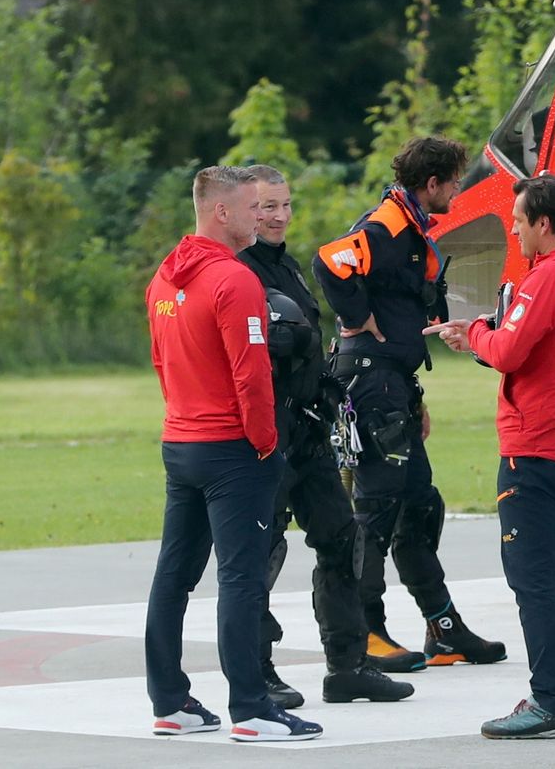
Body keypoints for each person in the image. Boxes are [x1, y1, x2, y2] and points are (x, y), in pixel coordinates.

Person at [428, 175, 555, 741]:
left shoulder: (549, 277)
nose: (511, 226)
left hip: (534, 447)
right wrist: (490, 334)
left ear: (543, 223)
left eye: (518, 218)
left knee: (532, 580)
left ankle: (549, 701)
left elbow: (510, 349)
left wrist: (480, 335)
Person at [312, 137, 505, 671]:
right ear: (434, 183)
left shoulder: (411, 222)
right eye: (455, 181)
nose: (458, 191)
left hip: (392, 383)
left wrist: (410, 390)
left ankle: (444, 630)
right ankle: (364, 631)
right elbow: (330, 261)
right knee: (374, 512)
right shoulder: (388, 224)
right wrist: (354, 320)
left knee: (419, 505)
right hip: (371, 383)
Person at [145, 165, 322, 742]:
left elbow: (161, 363)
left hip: (182, 442)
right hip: (232, 450)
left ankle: (170, 701)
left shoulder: (163, 280)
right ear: (222, 212)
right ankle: (251, 708)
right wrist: (266, 445)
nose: (260, 218)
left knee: (174, 575)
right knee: (242, 579)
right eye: (251, 209)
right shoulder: (234, 279)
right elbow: (252, 375)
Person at [237, 164, 414, 706]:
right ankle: (256, 670)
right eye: (266, 206)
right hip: (263, 437)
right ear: (243, 210)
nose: (278, 215)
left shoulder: (285, 268)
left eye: (284, 204)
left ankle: (348, 665)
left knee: (342, 535)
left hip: (308, 433)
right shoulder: (234, 272)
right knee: (259, 553)